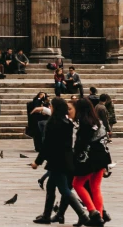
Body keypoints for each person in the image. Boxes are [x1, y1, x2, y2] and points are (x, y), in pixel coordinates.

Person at [31, 97, 90, 226]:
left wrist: (37, 161)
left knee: (64, 189)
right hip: (67, 159)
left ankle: (82, 215)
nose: (50, 108)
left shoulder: (53, 123)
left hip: (56, 161)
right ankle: (46, 215)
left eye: (51, 106)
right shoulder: (67, 122)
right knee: (51, 186)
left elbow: (47, 145)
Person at [72, 97, 111, 226]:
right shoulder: (97, 121)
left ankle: (93, 211)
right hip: (102, 157)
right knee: (95, 187)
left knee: (77, 184)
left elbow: (81, 143)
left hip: (90, 159)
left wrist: (75, 155)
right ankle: (99, 216)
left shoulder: (85, 123)